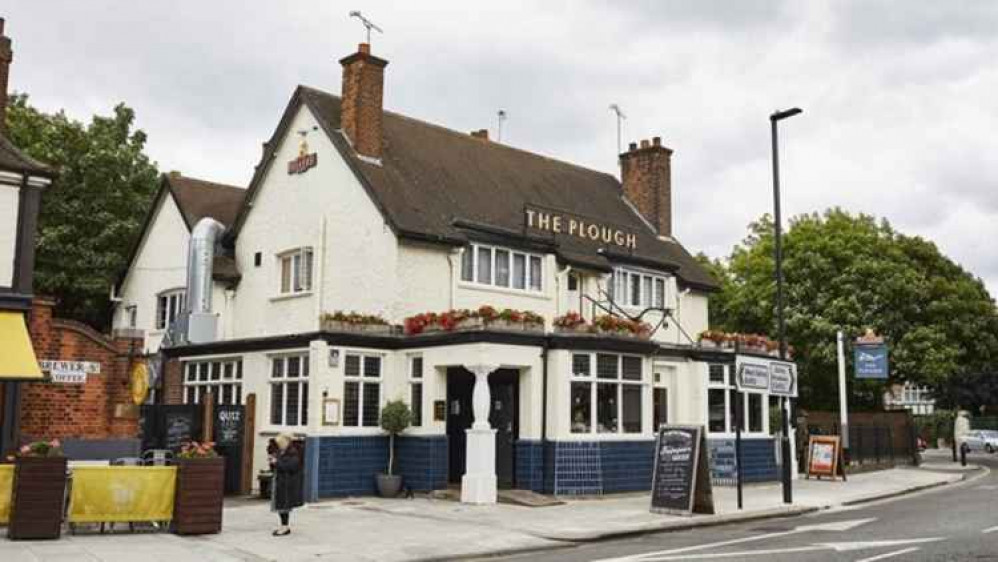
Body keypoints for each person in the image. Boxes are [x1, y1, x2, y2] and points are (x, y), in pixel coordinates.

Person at [269, 433, 303, 536]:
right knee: (280, 505)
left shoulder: (293, 453)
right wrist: (272, 462)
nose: (279, 445)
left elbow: (291, 467)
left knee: (284, 506)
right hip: (280, 482)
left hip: (287, 484)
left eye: (280, 443)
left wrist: (277, 463)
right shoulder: (281, 452)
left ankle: (285, 527)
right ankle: (283, 526)